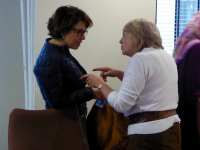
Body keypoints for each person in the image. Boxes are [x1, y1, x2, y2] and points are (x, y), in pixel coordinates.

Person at [81, 18, 181, 149]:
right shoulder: (166, 56)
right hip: (171, 131)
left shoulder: (139, 59)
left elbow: (121, 105)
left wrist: (100, 84)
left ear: (138, 37)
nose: (120, 40)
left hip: (148, 137)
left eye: (124, 35)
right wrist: (120, 74)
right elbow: (150, 87)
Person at [33, 5, 104, 139]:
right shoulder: (50, 58)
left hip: (71, 122)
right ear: (63, 30)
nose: (83, 37)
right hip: (64, 127)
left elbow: (68, 85)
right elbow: (57, 101)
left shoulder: (60, 52)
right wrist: (91, 92)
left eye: (84, 32)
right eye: (79, 32)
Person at [173, 11, 200, 150]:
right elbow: (194, 90)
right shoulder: (197, 47)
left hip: (180, 108)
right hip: (192, 113)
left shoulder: (185, 43)